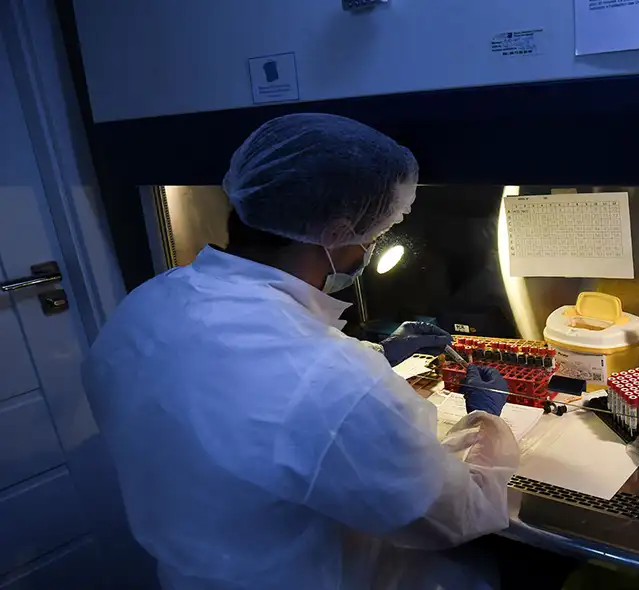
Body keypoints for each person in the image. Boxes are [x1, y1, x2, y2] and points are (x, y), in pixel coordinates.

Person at [82, 113, 518, 589]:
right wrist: (487, 422)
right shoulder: (336, 381)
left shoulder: (146, 306)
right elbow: (451, 516)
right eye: (373, 236)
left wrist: (374, 356)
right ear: (336, 232)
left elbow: (236, 398)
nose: (369, 249)